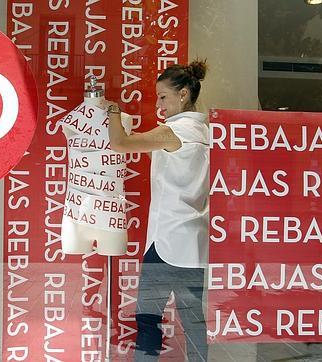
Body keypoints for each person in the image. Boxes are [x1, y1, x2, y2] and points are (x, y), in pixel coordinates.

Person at [104, 60, 210, 361]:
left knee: (149, 319)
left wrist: (112, 111)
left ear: (184, 94)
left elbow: (120, 142)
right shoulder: (205, 132)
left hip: (166, 242)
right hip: (195, 241)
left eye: (162, 96)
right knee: (193, 321)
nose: (158, 104)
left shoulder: (174, 133)